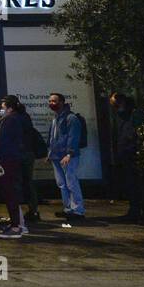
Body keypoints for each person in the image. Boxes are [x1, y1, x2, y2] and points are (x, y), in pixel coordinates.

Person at [47, 92, 86, 220]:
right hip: (56, 156)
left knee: (71, 182)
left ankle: (78, 210)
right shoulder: (56, 118)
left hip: (67, 156)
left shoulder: (70, 118)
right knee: (62, 184)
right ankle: (68, 208)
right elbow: (53, 137)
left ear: (62, 102)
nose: (51, 103)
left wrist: (69, 153)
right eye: (50, 101)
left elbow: (73, 137)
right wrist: (50, 153)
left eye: (54, 101)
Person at [0, 95, 28, 238]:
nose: (1, 110)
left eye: (3, 107)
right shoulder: (15, 119)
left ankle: (16, 227)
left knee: (10, 193)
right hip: (11, 159)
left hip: (7, 160)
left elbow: (1, 139)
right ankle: (18, 223)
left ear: (10, 108)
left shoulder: (10, 120)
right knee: (11, 193)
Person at [107, 92, 137, 216]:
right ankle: (135, 209)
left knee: (135, 184)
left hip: (131, 154)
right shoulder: (121, 116)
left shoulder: (130, 116)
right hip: (126, 154)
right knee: (131, 184)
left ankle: (138, 210)